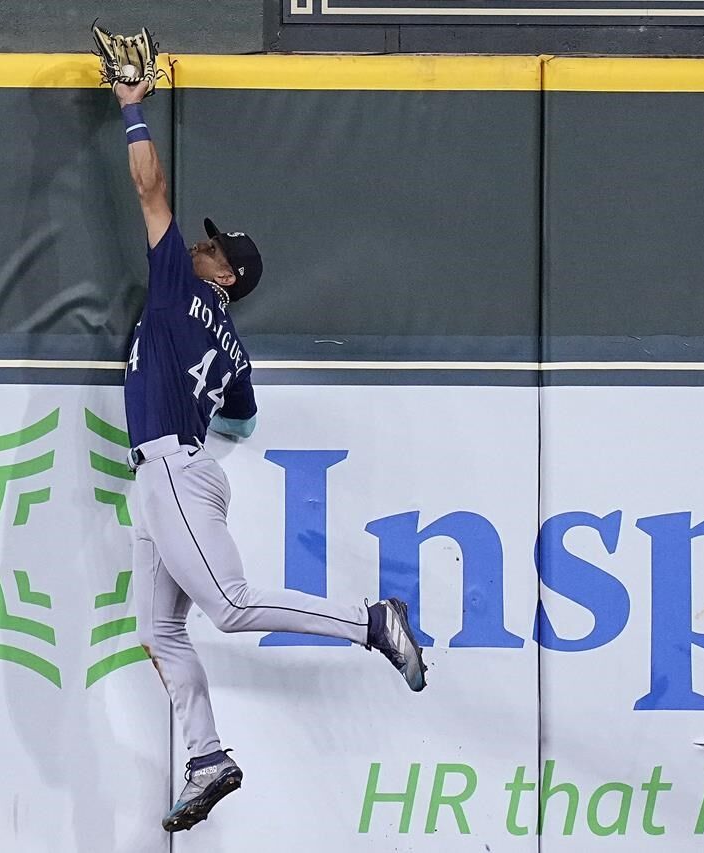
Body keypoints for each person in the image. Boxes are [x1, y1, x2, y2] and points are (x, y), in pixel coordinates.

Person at [111, 78, 428, 834]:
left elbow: (150, 188)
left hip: (174, 472)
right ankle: (208, 756)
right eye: (209, 240)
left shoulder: (170, 286)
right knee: (159, 631)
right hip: (180, 473)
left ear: (226, 275)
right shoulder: (237, 349)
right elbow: (245, 424)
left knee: (228, 604)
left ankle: (369, 619)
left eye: (214, 249)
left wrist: (131, 106)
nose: (201, 245)